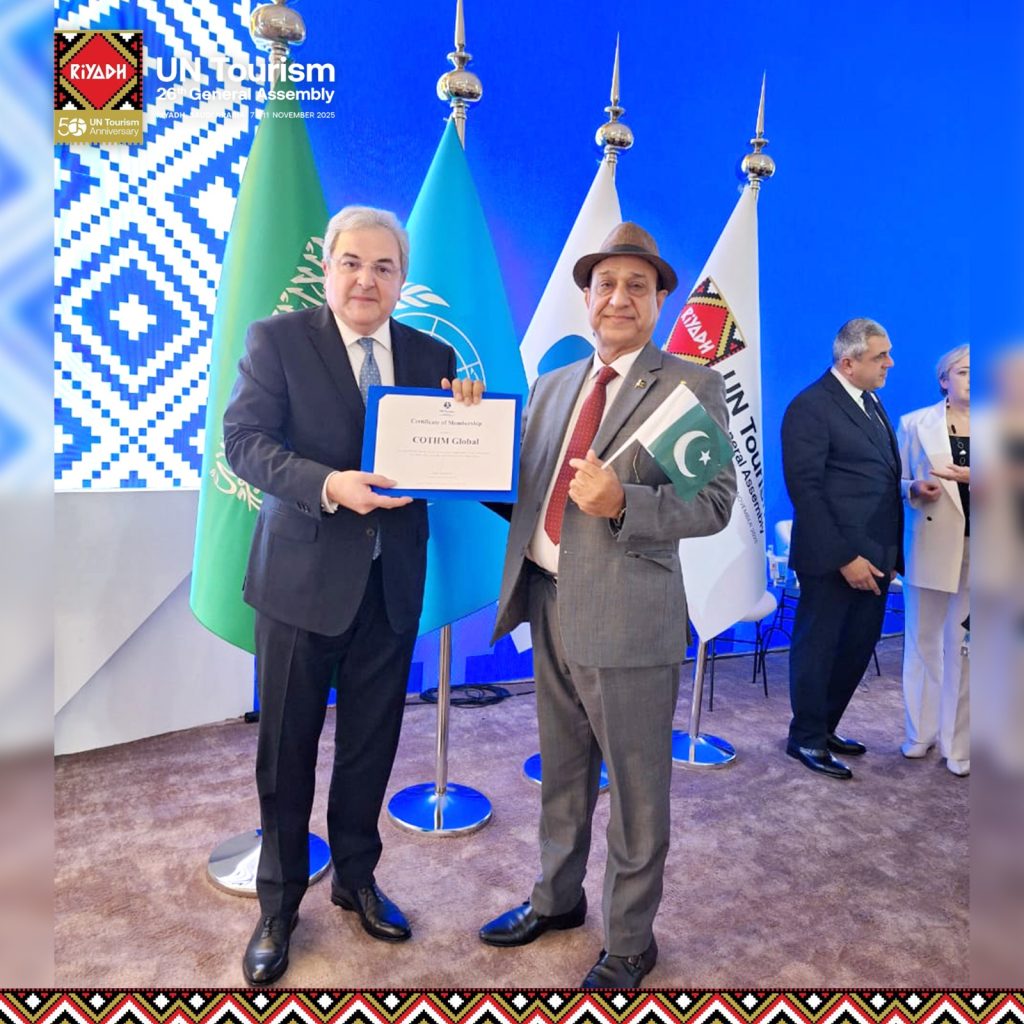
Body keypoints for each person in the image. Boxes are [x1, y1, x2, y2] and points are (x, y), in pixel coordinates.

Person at [223, 205, 481, 985]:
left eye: (384, 267)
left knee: (371, 744)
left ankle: (357, 879)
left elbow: (454, 457)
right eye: (352, 263)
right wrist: (330, 484)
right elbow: (244, 443)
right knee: (286, 751)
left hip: (390, 585)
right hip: (299, 583)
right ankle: (277, 903)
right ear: (328, 268)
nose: (366, 279)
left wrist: (470, 421)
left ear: (402, 280)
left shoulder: (433, 354)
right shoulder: (277, 340)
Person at [478, 223, 736, 988]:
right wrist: (464, 433)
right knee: (562, 776)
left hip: (629, 621)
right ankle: (557, 900)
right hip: (548, 602)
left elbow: (714, 503)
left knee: (635, 791)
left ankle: (629, 941)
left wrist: (624, 501)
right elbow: (523, 494)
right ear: (586, 297)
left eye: (636, 286)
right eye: (605, 284)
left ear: (659, 300)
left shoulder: (684, 387)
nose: (618, 298)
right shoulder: (556, 385)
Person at [780, 317, 903, 780]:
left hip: (877, 555)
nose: (890, 363)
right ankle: (805, 738)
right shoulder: (809, 407)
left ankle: (825, 726)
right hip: (835, 560)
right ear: (848, 363)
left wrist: (893, 552)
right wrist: (845, 558)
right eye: (880, 356)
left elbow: (875, 478)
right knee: (819, 649)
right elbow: (806, 492)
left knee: (855, 649)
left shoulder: (870, 401)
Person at [897, 344, 970, 776]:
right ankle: (919, 732)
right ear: (944, 379)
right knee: (923, 641)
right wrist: (912, 489)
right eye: (964, 371)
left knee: (967, 649)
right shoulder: (914, 423)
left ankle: (958, 744)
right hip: (929, 544)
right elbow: (895, 479)